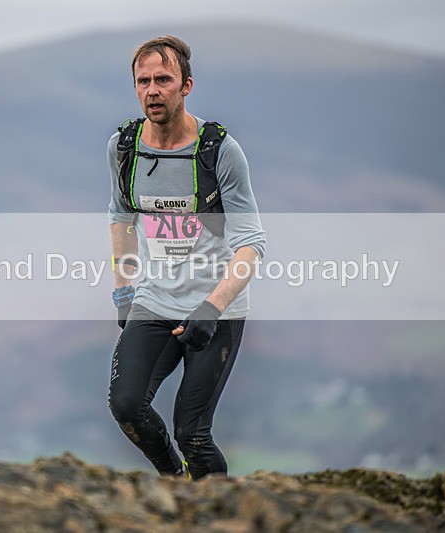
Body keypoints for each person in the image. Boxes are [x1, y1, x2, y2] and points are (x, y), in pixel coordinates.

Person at [107, 35, 266, 480]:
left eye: (163, 79)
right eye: (143, 82)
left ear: (186, 85)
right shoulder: (124, 148)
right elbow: (121, 217)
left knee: (192, 433)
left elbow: (252, 243)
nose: (153, 91)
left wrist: (212, 308)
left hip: (216, 306)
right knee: (127, 407)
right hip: (154, 300)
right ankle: (174, 484)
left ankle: (221, 510)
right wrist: (124, 291)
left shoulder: (219, 151)